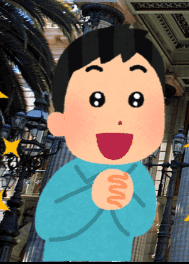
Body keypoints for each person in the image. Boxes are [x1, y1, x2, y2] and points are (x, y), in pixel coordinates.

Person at [36, 25, 166, 261]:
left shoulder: (136, 175)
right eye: (97, 100)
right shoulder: (69, 175)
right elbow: (46, 224)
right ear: (60, 121)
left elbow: (146, 222)